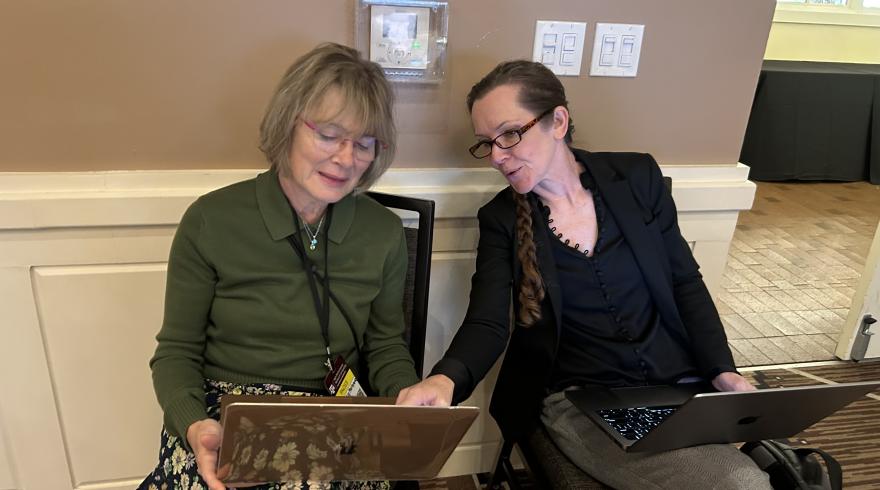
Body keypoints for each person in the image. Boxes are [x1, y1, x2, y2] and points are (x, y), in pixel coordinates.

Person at [396, 60, 771, 489]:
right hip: (578, 403)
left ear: (558, 121)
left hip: (675, 385)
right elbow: (488, 322)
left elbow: (685, 282)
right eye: (487, 143)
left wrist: (722, 369)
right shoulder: (501, 218)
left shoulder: (636, 178)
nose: (497, 156)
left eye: (509, 135)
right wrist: (447, 378)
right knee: (741, 484)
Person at [140, 43, 420, 490]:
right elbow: (176, 352)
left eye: (364, 144)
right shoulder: (211, 220)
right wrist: (194, 424)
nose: (346, 159)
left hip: (334, 410)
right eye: (329, 135)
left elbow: (384, 345)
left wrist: (408, 400)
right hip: (227, 410)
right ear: (288, 123)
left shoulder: (383, 232)